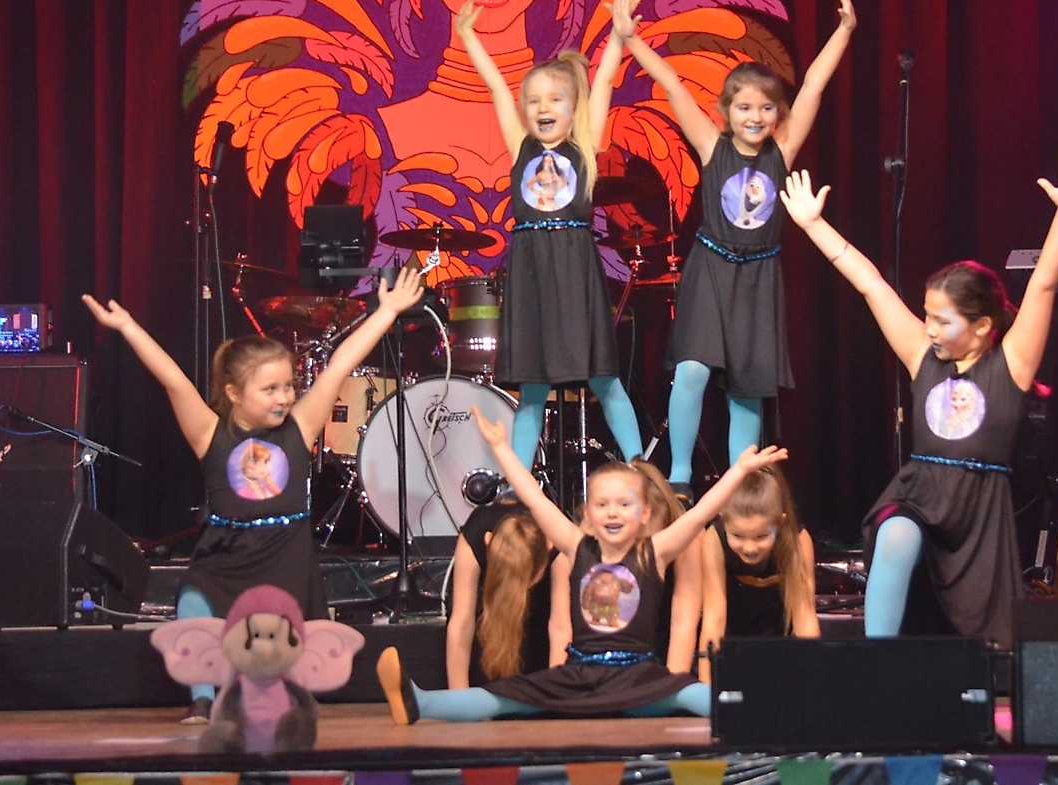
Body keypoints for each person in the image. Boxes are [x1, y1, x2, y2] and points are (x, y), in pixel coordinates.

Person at [779, 152, 1058, 650]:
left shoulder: (1011, 365)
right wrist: (813, 224)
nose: (928, 328)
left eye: (941, 320)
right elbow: (871, 285)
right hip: (920, 494)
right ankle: (874, 663)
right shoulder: (922, 356)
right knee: (896, 535)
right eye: (926, 315)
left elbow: (1044, 283)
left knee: (985, 644)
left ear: (982, 326)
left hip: (978, 513)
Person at [80, 268, 425, 723]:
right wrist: (128, 327)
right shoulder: (210, 434)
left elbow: (340, 365)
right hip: (226, 556)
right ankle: (202, 697)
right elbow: (174, 380)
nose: (284, 397)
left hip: (285, 556)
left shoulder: (300, 428)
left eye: (288, 386)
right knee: (192, 602)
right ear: (234, 393)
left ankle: (275, 695)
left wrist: (388, 312)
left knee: (284, 656)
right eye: (270, 390)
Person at [376, 407, 787, 723]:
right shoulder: (576, 547)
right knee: (508, 696)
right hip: (581, 676)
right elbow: (534, 498)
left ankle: (770, 710)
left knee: (692, 693)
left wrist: (739, 471)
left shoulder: (655, 552)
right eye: (602, 504)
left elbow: (699, 515)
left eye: (624, 504)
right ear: (588, 512)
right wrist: (501, 449)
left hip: (639, 680)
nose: (613, 512)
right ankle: (420, 703)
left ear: (645, 513)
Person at [607, 0, 856, 495]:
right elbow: (672, 84)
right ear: (725, 112)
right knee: (692, 371)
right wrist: (630, 40)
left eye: (765, 109)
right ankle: (679, 477)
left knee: (749, 387)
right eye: (744, 108)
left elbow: (812, 85)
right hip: (711, 269)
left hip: (759, 275)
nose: (755, 117)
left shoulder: (781, 150)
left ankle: (741, 484)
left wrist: (845, 30)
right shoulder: (711, 145)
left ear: (777, 114)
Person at [453, 0, 646, 469]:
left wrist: (619, 37)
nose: (543, 108)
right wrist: (468, 37)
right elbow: (496, 87)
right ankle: (518, 484)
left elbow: (604, 81)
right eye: (534, 100)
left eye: (555, 99)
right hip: (532, 269)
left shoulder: (584, 144)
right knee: (534, 386)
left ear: (572, 107)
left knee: (603, 377)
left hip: (574, 268)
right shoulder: (520, 145)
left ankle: (640, 466)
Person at [549, 458, 703, 675]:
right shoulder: (575, 555)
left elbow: (683, 623)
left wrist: (669, 684)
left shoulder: (683, 546)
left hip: (652, 663)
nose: (632, 551)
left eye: (645, 542)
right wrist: (558, 683)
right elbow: (561, 629)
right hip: (590, 666)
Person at [695, 465, 819, 682]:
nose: (749, 548)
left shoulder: (797, 540)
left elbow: (804, 615)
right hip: (732, 649)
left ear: (779, 523)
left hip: (781, 651)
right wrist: (708, 689)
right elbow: (714, 616)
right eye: (738, 536)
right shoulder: (713, 539)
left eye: (761, 536)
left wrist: (814, 680)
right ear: (723, 520)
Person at [445, 502, 556, 689]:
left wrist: (554, 693)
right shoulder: (476, 533)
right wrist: (459, 697)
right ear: (488, 542)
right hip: (488, 627)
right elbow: (461, 624)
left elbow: (560, 627)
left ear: (549, 546)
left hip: (538, 634)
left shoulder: (557, 537)